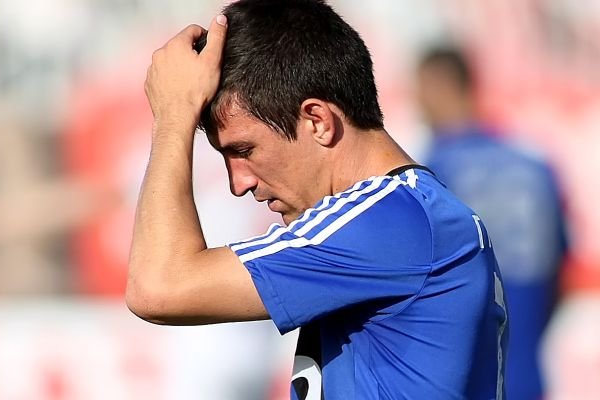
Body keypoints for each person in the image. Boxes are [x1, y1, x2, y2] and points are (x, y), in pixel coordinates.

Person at [126, 1, 508, 398]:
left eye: (244, 150)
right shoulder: (414, 213)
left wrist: (174, 115)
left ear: (318, 121)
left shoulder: (389, 222)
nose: (239, 184)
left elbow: (158, 287)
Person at [416, 46, 567, 400]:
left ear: (439, 86)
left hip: (466, 377)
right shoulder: (535, 166)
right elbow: (560, 268)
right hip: (526, 371)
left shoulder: (433, 172)